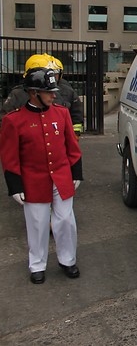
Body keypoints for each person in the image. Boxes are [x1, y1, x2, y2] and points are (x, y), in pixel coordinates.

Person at [0, 68, 83, 284]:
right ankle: (37, 264)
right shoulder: (14, 121)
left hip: (62, 175)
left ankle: (68, 260)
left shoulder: (61, 113)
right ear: (33, 93)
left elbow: (71, 146)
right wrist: (15, 185)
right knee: (37, 223)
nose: (54, 95)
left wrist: (77, 172)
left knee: (65, 220)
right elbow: (10, 157)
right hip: (33, 180)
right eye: (49, 92)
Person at [0, 53, 83, 135]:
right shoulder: (18, 94)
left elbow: (76, 115)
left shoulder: (66, 90)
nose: (53, 95)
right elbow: (5, 121)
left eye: (56, 73)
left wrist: (75, 134)